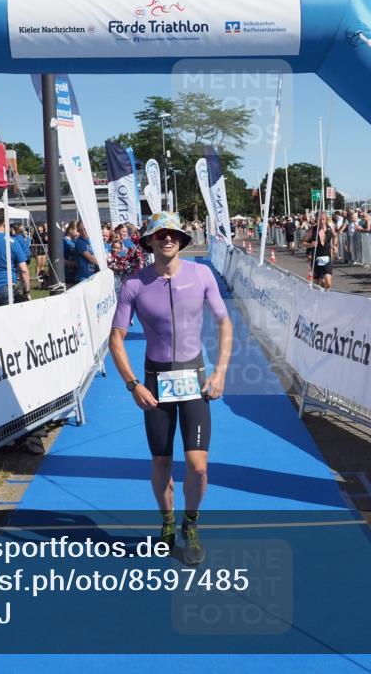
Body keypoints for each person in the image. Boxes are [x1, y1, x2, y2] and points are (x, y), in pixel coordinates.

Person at [108, 212, 233, 565]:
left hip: (194, 379)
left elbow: (225, 324)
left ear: (181, 239)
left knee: (197, 466)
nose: (167, 238)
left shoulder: (201, 274)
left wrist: (220, 372)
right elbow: (115, 340)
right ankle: (166, 523)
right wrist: (132, 384)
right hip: (154, 381)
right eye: (160, 233)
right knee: (161, 460)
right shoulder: (134, 284)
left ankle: (189, 525)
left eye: (174, 233)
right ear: (149, 240)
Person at [302, 211, 337, 290]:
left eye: (323, 219)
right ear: (316, 219)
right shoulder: (312, 230)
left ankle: (324, 292)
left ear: (326, 219)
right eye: (319, 219)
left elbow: (335, 236)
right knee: (316, 284)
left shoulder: (330, 228)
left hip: (327, 258)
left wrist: (335, 246)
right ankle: (320, 294)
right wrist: (310, 244)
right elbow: (303, 242)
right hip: (316, 258)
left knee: (328, 283)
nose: (321, 221)